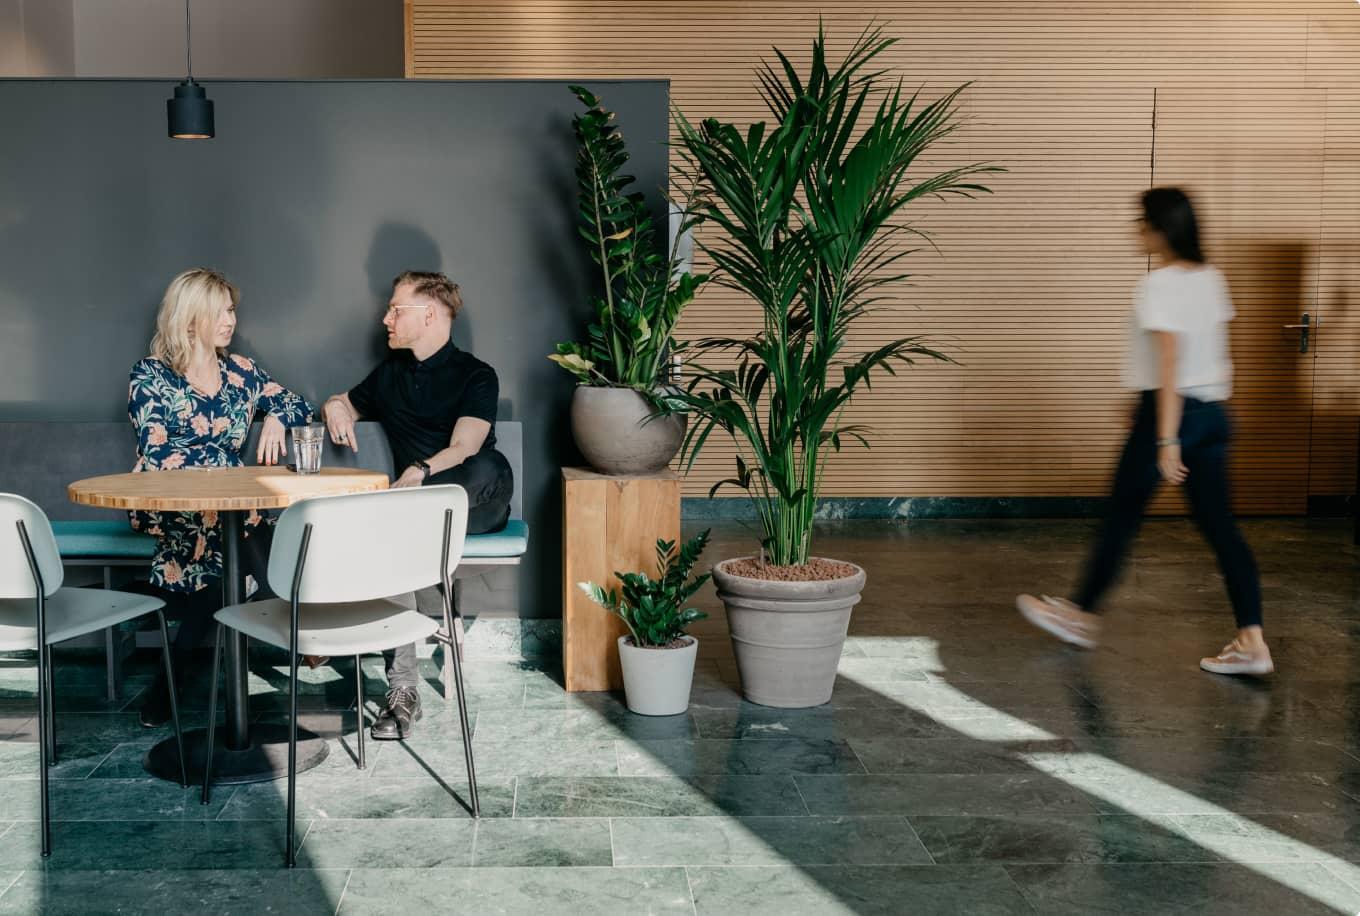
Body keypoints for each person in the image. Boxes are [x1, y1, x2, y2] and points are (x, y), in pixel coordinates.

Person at [1016, 187, 1273, 677]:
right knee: (1222, 531)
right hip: (1214, 413)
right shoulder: (1212, 278)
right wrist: (1146, 402)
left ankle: (1079, 616)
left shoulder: (1158, 285)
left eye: (1142, 222)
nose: (1136, 230)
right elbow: (1206, 354)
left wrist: (1166, 434)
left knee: (1120, 519)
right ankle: (1252, 640)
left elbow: (1172, 357)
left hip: (1170, 416)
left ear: (1162, 228)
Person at [322, 271, 513, 739]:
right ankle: (403, 690)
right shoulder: (390, 374)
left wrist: (421, 472)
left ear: (428, 315)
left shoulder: (476, 373)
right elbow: (344, 401)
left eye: (395, 309)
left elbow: (467, 446)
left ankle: (404, 521)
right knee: (398, 533)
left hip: (476, 497)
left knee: (483, 466)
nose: (385, 318)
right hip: (412, 515)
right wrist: (333, 407)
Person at [129, 268, 314, 726]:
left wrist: (274, 417)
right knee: (247, 530)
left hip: (230, 507)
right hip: (170, 504)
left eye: (231, 310)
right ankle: (302, 624)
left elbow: (298, 405)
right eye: (219, 312)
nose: (230, 320)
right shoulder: (151, 375)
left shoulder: (242, 371)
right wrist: (226, 464)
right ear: (190, 319)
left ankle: (171, 680)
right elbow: (158, 450)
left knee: (222, 553)